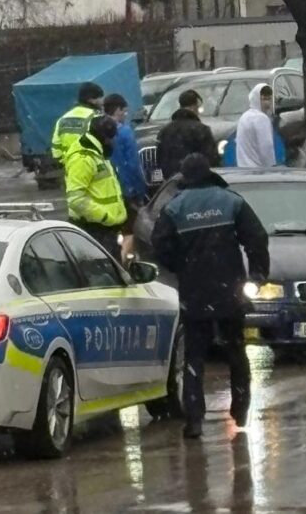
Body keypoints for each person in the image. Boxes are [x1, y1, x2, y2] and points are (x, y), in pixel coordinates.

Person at [151, 153, 269, 440]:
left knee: (194, 356)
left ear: (185, 177)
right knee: (236, 350)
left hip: (194, 291)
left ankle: (194, 418)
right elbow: (257, 238)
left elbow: (160, 245)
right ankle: (240, 407)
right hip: (230, 289)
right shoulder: (231, 201)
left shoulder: (175, 207)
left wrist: (180, 266)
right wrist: (257, 275)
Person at [64, 115, 127, 260]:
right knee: (103, 270)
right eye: (111, 138)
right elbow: (76, 200)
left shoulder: (97, 153)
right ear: (103, 138)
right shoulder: (83, 158)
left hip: (105, 230)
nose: (113, 142)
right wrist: (105, 217)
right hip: (94, 229)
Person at [103, 93, 148, 262]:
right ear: (117, 110)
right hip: (126, 189)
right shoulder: (124, 132)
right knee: (130, 229)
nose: (125, 115)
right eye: (124, 111)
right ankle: (124, 263)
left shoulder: (97, 129)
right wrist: (139, 190)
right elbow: (133, 165)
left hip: (104, 190)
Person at [156, 89, 219, 179]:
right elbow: (212, 159)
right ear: (194, 106)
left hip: (172, 180)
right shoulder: (201, 130)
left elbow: (160, 159)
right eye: (199, 108)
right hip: (197, 181)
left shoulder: (165, 131)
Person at [51, 82, 104, 161]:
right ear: (91, 100)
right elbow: (105, 145)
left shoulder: (62, 119)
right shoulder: (96, 118)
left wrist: (65, 162)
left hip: (70, 164)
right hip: (92, 164)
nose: (103, 102)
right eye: (101, 98)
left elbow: (56, 147)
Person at [235, 84, 277, 168]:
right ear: (256, 99)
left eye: (269, 98)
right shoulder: (261, 118)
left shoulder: (244, 117)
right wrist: (271, 167)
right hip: (258, 170)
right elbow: (266, 147)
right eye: (264, 99)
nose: (267, 103)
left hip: (242, 169)